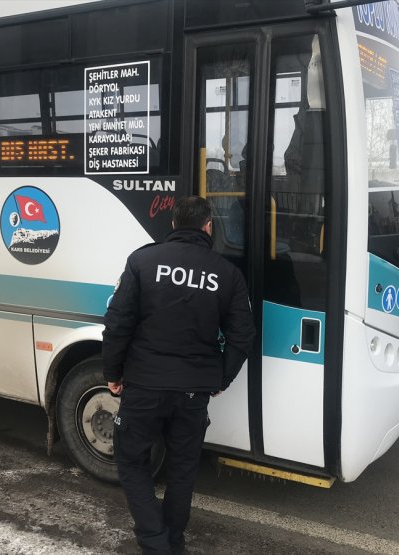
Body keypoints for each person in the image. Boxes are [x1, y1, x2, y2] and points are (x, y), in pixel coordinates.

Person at [102, 196, 256, 555]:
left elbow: (118, 322)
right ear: (208, 227)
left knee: (130, 459)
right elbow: (242, 336)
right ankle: (173, 541)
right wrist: (221, 378)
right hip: (193, 391)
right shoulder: (228, 274)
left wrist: (112, 371)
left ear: (173, 225)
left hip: (144, 384)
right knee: (183, 468)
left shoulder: (142, 261)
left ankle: (156, 543)